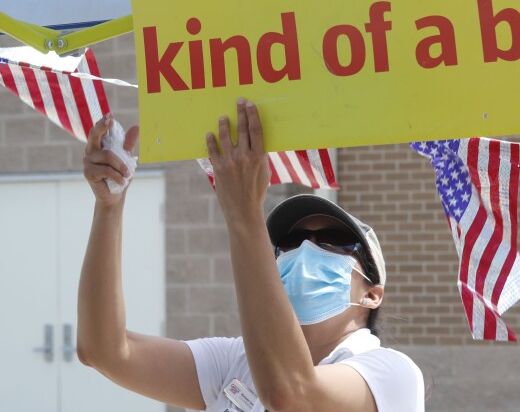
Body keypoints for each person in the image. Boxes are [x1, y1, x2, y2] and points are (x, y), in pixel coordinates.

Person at [77, 98, 425, 412]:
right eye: (291, 242)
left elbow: (291, 394)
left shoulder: (391, 373)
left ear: (372, 293)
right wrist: (109, 207)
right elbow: (104, 350)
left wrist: (244, 214)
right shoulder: (234, 361)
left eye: (332, 240)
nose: (306, 248)